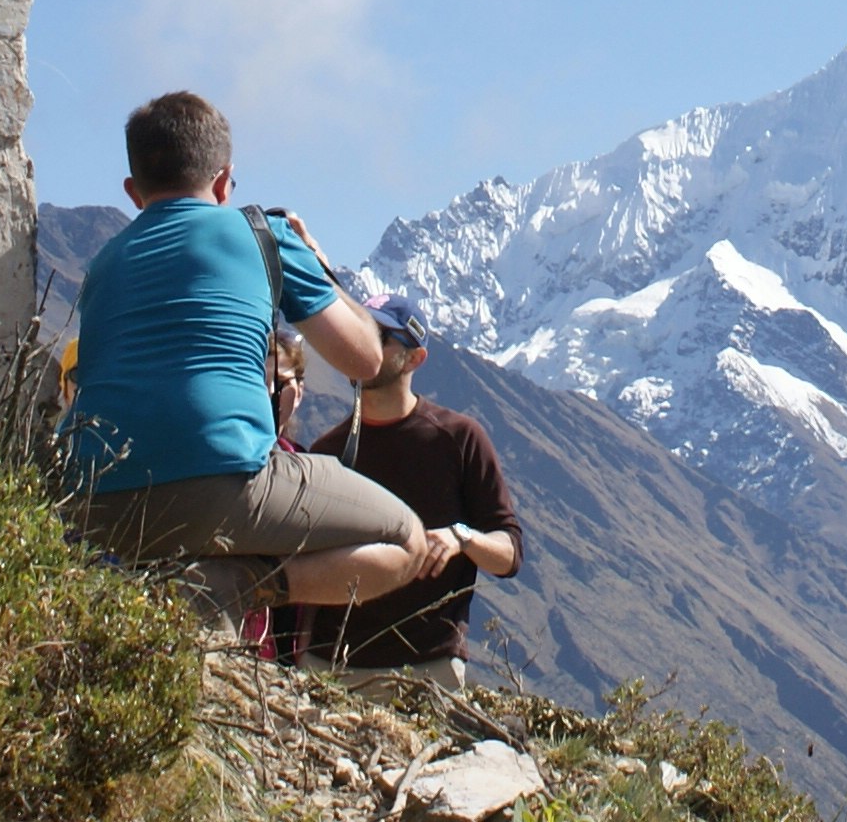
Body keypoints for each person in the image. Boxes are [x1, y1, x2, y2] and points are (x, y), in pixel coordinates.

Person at [62, 91, 455, 623]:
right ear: (224, 181)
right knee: (404, 538)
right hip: (224, 481)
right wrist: (316, 263)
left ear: (133, 192)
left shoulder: (102, 264)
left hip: (95, 502)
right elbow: (363, 359)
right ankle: (238, 585)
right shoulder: (257, 233)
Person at [300, 296, 524, 693]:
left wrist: (461, 537)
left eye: (380, 337)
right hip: (329, 665)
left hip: (428, 669)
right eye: (360, 331)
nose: (363, 344)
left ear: (414, 358)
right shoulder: (327, 451)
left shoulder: (460, 439)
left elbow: (508, 556)